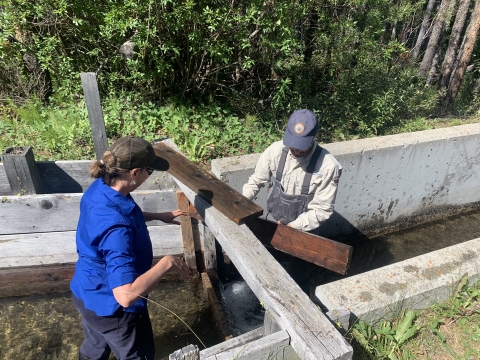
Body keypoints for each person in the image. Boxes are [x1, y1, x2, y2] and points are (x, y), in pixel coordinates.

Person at [70, 136, 191, 360]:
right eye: (150, 172)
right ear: (135, 173)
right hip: (114, 310)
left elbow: (115, 218)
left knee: (95, 348)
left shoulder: (100, 188)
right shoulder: (117, 229)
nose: (149, 176)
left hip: (87, 291)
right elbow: (125, 296)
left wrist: (158, 216)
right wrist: (167, 263)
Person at [242, 109, 342, 290]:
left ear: (314, 137)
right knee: (267, 272)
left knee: (299, 279)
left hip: (304, 230)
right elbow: (256, 181)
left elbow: (322, 210)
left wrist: (291, 228)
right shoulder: (275, 151)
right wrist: (241, 204)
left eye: (301, 145)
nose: (295, 149)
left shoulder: (328, 166)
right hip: (273, 222)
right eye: (292, 143)